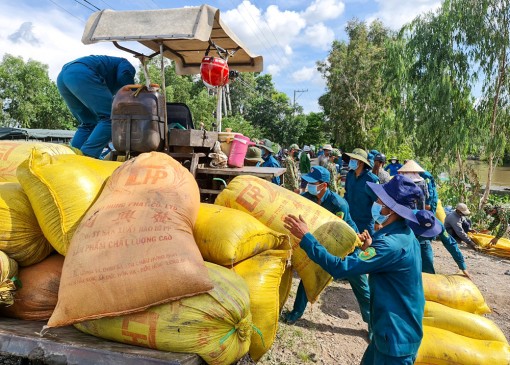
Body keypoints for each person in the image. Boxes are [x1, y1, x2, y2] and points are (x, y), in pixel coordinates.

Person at [284, 174, 425, 365]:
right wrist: (369, 250)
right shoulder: (404, 236)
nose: (375, 203)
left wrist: (307, 238)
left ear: (391, 209)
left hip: (395, 339)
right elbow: (391, 265)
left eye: (380, 200)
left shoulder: (389, 245)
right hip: (388, 332)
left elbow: (341, 268)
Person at [281, 166, 371, 332]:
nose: (308, 186)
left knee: (361, 286)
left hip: (346, 244)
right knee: (308, 274)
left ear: (324, 185)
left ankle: (372, 324)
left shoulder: (338, 204)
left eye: (312, 183)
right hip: (319, 241)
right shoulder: (307, 197)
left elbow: (342, 231)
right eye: (307, 182)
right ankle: (296, 312)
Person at [57, 55, 136, 158]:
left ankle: (70, 157)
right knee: (112, 117)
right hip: (81, 73)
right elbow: (124, 76)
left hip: (63, 77)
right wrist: (135, 94)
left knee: (88, 123)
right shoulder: (125, 63)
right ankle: (88, 156)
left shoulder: (107, 69)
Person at [408, 210, 470, 277]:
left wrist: (462, 265)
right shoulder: (404, 220)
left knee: (428, 271)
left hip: (424, 243)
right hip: (407, 243)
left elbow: (450, 243)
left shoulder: (439, 225)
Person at [344, 148, 379, 235]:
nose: (351, 161)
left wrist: (378, 222)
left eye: (354, 159)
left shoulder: (372, 179)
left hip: (365, 223)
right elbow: (346, 193)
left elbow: (378, 202)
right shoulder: (350, 175)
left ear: (361, 162)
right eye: (351, 159)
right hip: (350, 220)